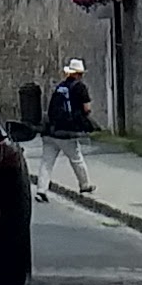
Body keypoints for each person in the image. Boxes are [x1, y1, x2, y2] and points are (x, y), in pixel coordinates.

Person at [37, 57, 95, 201]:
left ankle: (41, 190)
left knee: (46, 162)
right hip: (66, 131)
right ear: (78, 74)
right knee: (76, 158)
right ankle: (85, 185)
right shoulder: (79, 87)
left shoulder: (60, 87)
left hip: (50, 131)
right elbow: (87, 108)